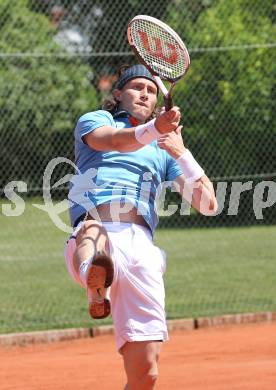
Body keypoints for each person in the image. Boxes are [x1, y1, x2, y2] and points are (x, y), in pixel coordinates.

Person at [64, 64, 218, 389]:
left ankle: (98, 279)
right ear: (118, 94)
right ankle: (96, 278)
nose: (145, 93)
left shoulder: (162, 151)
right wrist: (153, 129)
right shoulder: (97, 121)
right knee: (94, 233)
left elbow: (208, 204)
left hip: (142, 250)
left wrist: (181, 151)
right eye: (136, 87)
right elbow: (115, 142)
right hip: (98, 228)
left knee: (145, 375)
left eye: (150, 90)